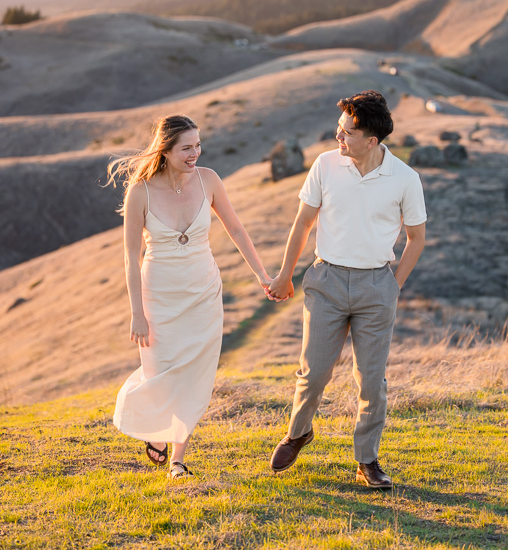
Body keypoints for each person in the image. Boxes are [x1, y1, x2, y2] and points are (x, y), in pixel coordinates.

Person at [267, 90, 426, 488]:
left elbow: (416, 238)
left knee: (371, 380)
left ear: (371, 140)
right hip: (327, 281)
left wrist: (393, 286)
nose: (338, 138)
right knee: (314, 371)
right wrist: (285, 274)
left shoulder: (406, 179)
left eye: (347, 133)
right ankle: (298, 432)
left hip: (376, 285)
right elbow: (303, 223)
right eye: (339, 130)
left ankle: (367, 460)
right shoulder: (325, 165)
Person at [109, 114, 271, 480]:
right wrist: (137, 312)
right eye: (186, 147)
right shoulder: (141, 192)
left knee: (195, 374)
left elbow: (236, 229)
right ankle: (158, 431)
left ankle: (179, 458)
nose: (194, 153)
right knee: (161, 370)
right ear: (165, 150)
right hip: (159, 295)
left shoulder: (209, 179)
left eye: (198, 145)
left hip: (203, 292)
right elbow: (131, 256)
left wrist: (263, 275)